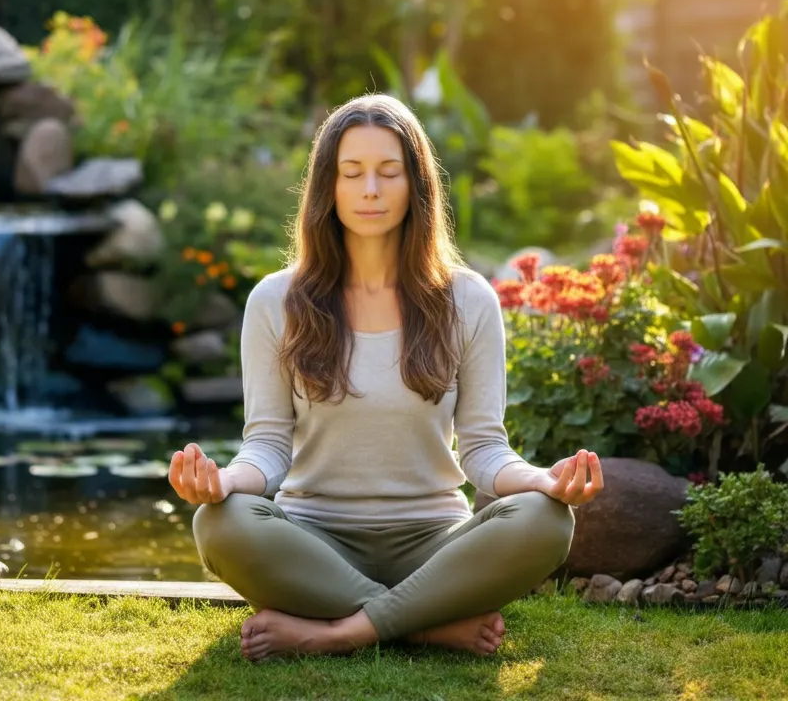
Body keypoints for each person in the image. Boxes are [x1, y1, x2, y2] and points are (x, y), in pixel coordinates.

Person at [168, 94, 604, 661]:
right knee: (219, 525)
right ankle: (428, 625)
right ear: (328, 185)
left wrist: (545, 481)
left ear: (415, 184)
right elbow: (269, 446)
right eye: (352, 173)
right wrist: (224, 483)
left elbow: (484, 451)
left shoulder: (468, 299)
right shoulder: (275, 300)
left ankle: (338, 632)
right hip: (314, 539)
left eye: (388, 172)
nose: (370, 190)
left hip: (434, 542)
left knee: (547, 521)